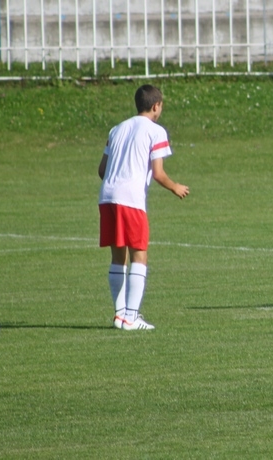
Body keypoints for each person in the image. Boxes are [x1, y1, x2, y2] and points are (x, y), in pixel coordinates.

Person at [98, 84, 189, 330]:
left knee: (118, 256)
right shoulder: (155, 131)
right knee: (140, 253)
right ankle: (131, 317)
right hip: (130, 199)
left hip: (107, 196)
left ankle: (119, 316)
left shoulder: (116, 129)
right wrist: (175, 187)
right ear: (156, 106)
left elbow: (101, 170)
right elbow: (158, 173)